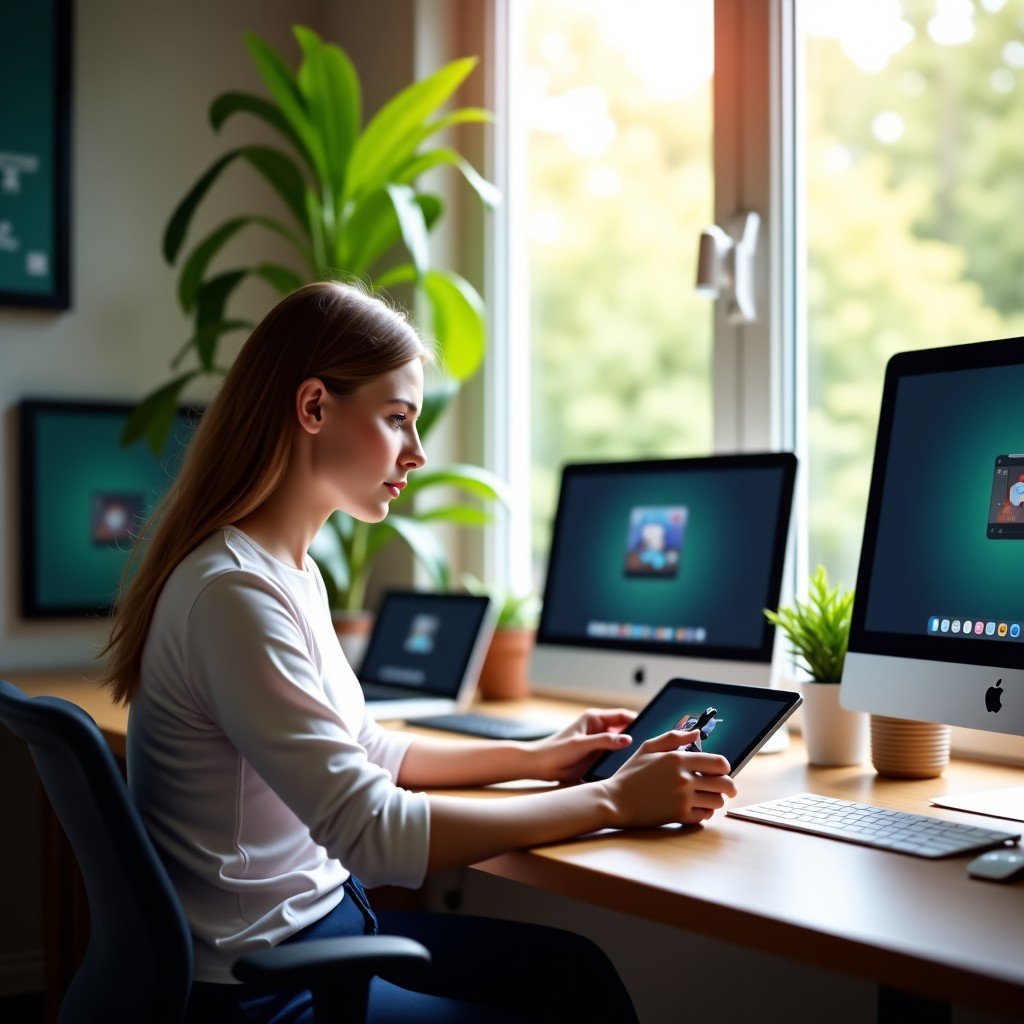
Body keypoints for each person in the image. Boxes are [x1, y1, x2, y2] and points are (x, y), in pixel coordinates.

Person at [103, 281, 737, 1023]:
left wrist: (537, 757)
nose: (418, 451)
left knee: (577, 974)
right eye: (397, 418)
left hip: (321, 935)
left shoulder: (284, 572)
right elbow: (374, 832)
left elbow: (368, 750)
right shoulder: (234, 595)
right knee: (579, 996)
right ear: (314, 407)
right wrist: (612, 800)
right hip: (268, 989)